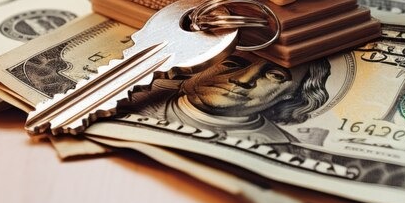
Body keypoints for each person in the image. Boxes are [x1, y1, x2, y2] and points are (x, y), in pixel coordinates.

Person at [135, 53, 331, 144]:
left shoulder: (280, 146)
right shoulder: (138, 96)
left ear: (293, 94)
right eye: (231, 62)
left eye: (276, 75)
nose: (242, 80)